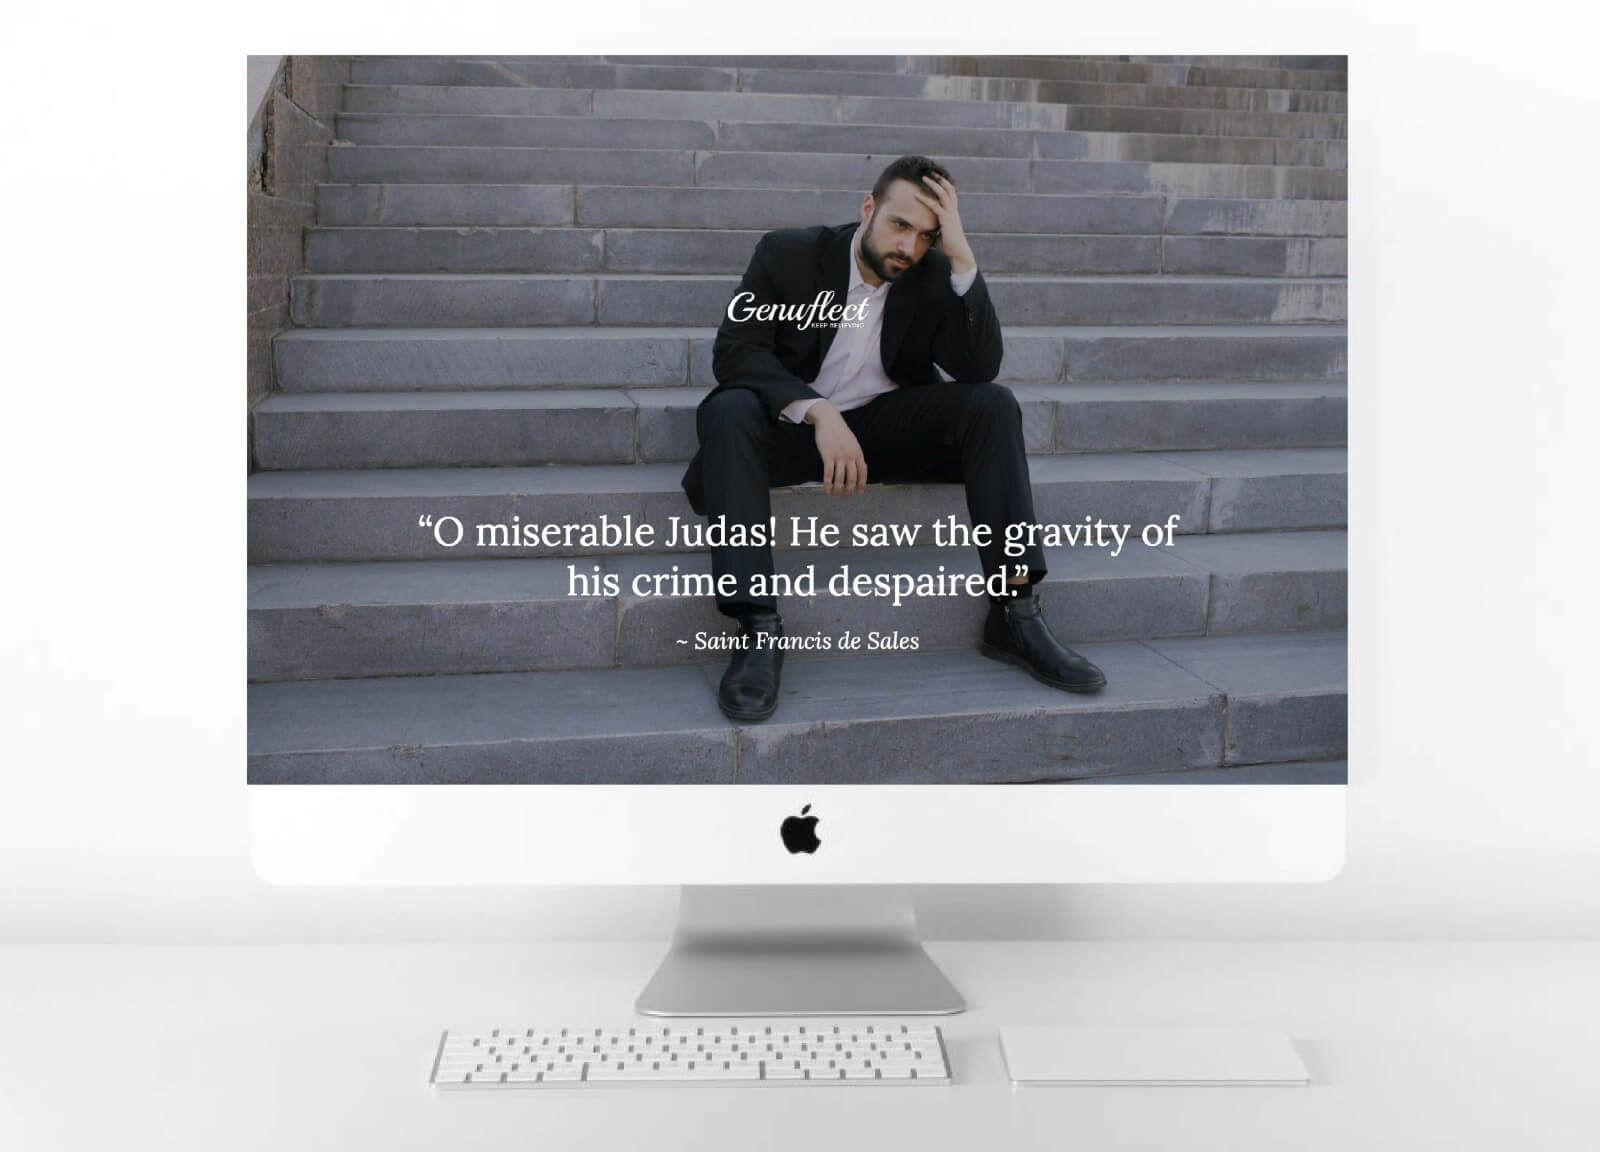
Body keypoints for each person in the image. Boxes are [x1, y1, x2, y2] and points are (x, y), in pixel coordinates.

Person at [679, 154, 1108, 722]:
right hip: (788, 432)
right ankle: (757, 627)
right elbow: (735, 352)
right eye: (899, 225)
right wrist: (819, 412)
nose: (908, 247)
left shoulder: (931, 273)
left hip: (883, 430)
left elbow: (978, 368)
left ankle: (1014, 612)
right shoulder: (787, 254)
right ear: (868, 208)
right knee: (731, 409)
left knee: (993, 406)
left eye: (926, 236)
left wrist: (962, 260)